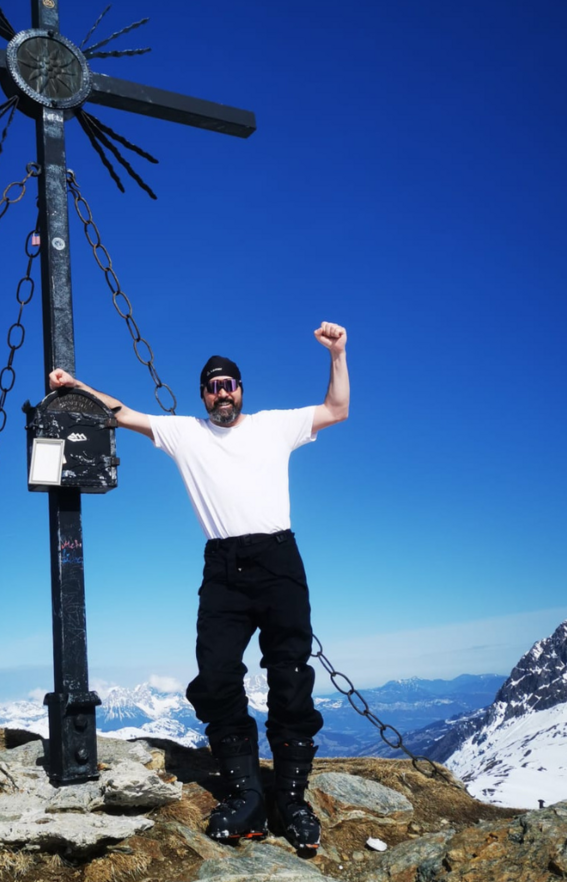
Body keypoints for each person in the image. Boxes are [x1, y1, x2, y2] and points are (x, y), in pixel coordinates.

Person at [47, 321, 349, 852]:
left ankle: (292, 799)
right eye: (212, 387)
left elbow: (336, 408)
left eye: (228, 384)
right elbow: (122, 413)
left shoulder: (275, 426)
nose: (221, 393)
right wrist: (74, 387)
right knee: (215, 675)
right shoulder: (186, 433)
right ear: (204, 395)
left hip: (279, 559)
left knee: (290, 674)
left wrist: (338, 354)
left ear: (241, 389)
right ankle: (247, 795)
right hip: (223, 567)